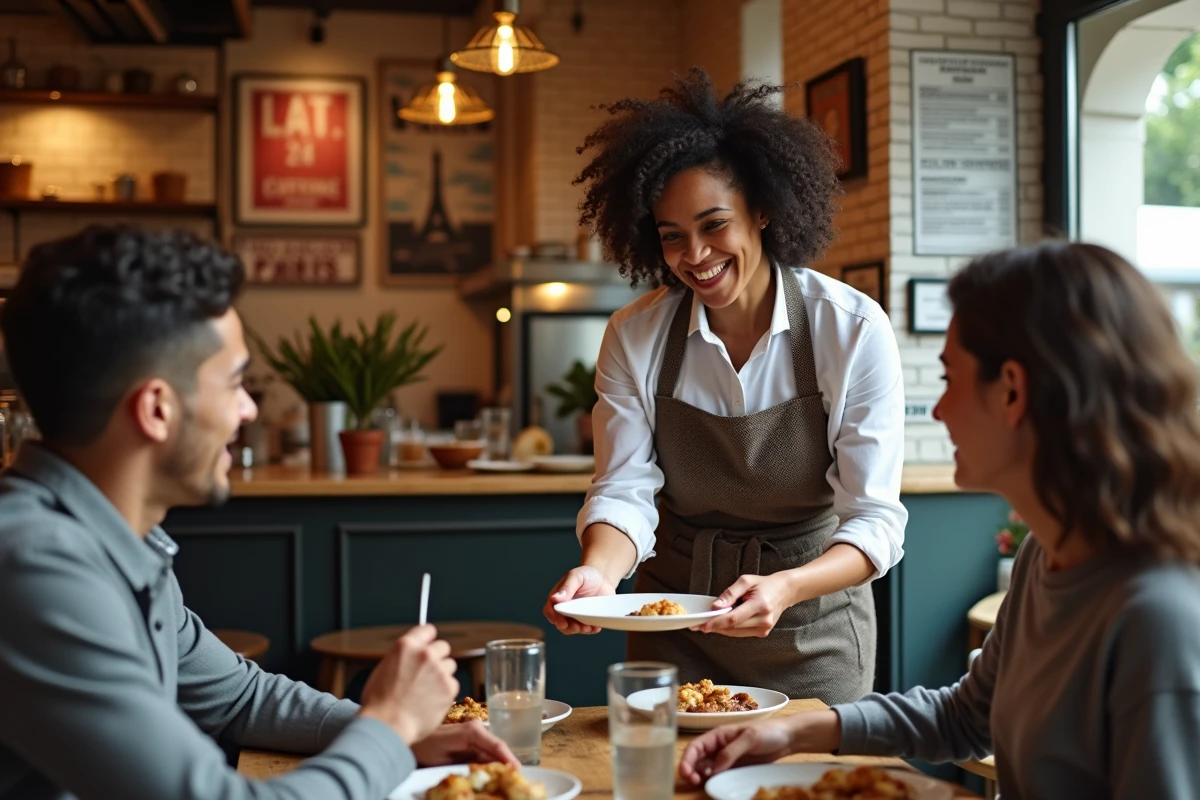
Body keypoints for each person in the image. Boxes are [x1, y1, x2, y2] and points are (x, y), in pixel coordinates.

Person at [0, 225, 516, 800]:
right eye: (236, 382)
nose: (248, 409)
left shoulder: (118, 540)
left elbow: (239, 697)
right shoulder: (35, 567)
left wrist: (399, 737)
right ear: (156, 409)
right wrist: (388, 726)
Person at [679, 241, 1200, 799]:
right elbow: (969, 716)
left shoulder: (1158, 619)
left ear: (1012, 392)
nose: (939, 409)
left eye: (950, 379)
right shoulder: (1044, 556)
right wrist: (791, 731)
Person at [541, 67, 907, 704]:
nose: (696, 255)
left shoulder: (847, 328)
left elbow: (874, 520)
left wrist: (788, 587)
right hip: (673, 628)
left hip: (810, 627)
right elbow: (625, 488)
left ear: (761, 211)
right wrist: (598, 574)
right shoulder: (636, 335)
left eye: (714, 225)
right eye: (672, 236)